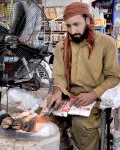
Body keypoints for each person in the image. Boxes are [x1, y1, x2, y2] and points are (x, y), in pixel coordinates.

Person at [45, 2, 120, 150]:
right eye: (68, 26)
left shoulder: (106, 43)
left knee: (81, 125)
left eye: (76, 24)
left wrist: (93, 94)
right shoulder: (61, 46)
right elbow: (59, 74)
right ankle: (65, 146)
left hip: (94, 99)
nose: (73, 31)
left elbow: (113, 77)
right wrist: (58, 92)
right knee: (46, 120)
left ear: (87, 20)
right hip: (68, 96)